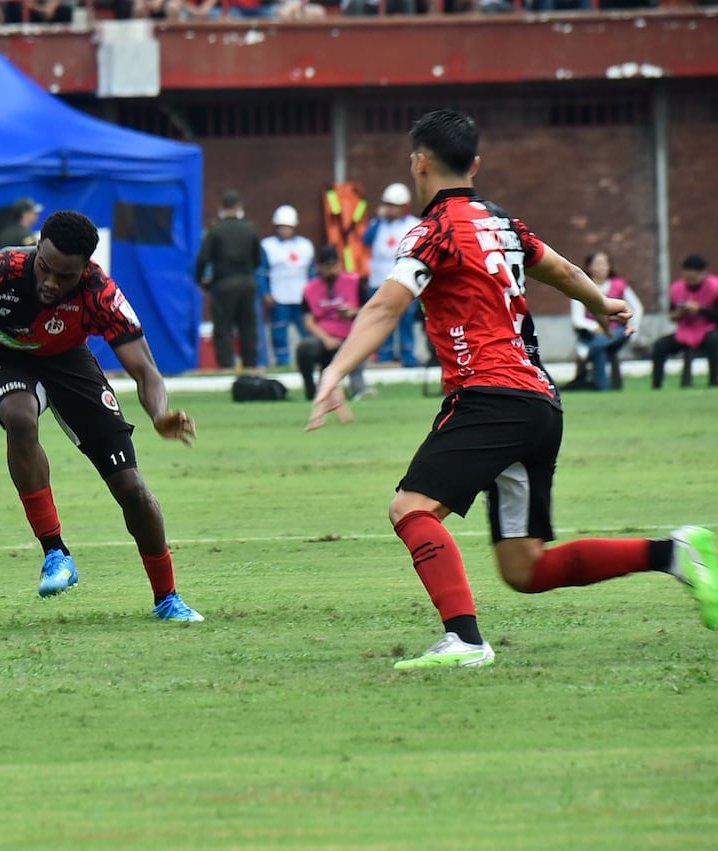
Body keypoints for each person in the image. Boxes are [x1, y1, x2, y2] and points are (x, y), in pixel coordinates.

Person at [305, 109, 717, 669]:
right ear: (474, 163)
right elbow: (564, 270)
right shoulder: (503, 223)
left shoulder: (431, 233)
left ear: (419, 161)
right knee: (526, 568)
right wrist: (602, 304)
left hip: (490, 396)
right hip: (539, 404)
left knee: (411, 510)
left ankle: (465, 640)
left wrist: (335, 369)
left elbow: (385, 306)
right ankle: (675, 554)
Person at [0, 210, 205, 622]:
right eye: (45, 268)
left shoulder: (101, 294)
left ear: (86, 269)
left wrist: (160, 414)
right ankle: (55, 551)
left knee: (131, 487)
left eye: (65, 276)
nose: (51, 283)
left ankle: (167, 599)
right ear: (37, 248)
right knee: (20, 416)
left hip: (67, 361)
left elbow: (145, 368)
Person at [195, 189, 263, 371]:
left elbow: (202, 258)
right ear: (240, 206)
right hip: (247, 282)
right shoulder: (250, 228)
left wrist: (199, 278)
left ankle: (226, 366)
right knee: (248, 326)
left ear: (221, 207)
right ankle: (250, 366)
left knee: (224, 327)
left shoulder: (215, 230)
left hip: (223, 284)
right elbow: (258, 259)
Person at [297, 245, 367, 401]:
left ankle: (359, 390)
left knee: (358, 347)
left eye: (335, 266)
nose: (332, 270)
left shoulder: (355, 282)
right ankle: (312, 392)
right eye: (327, 267)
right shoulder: (310, 289)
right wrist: (325, 339)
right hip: (324, 338)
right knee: (305, 349)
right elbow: (308, 321)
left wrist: (352, 312)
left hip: (351, 336)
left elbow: (370, 309)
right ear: (319, 267)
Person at [363, 182, 422, 367]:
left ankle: (408, 356)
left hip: (405, 281)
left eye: (393, 206)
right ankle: (384, 356)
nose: (389, 209)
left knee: (406, 320)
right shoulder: (377, 225)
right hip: (379, 280)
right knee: (381, 320)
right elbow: (365, 240)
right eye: (387, 205)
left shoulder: (414, 225)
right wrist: (379, 220)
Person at [568, 250, 641, 392]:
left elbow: (637, 308)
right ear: (589, 267)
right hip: (595, 335)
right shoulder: (582, 287)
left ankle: (588, 351)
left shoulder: (620, 285)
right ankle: (604, 388)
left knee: (607, 340)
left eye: (605, 264)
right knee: (600, 350)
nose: (602, 268)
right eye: (598, 264)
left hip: (618, 332)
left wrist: (633, 327)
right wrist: (597, 327)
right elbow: (577, 319)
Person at [650, 254, 718, 390]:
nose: (690, 280)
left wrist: (701, 309)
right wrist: (679, 313)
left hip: (709, 329)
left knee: (714, 341)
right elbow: (672, 315)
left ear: (702, 274)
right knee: (660, 346)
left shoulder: (714, 287)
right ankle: (656, 385)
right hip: (685, 331)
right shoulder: (677, 289)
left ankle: (714, 381)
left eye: (693, 276)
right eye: (687, 276)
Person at [258, 204, 314, 368]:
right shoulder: (268, 246)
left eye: (288, 227)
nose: (285, 231)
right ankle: (283, 362)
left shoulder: (305, 246)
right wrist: (265, 293)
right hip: (279, 296)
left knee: (306, 330)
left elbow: (312, 272)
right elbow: (262, 272)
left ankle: (310, 360)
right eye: (282, 227)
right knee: (279, 332)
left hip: (301, 296)